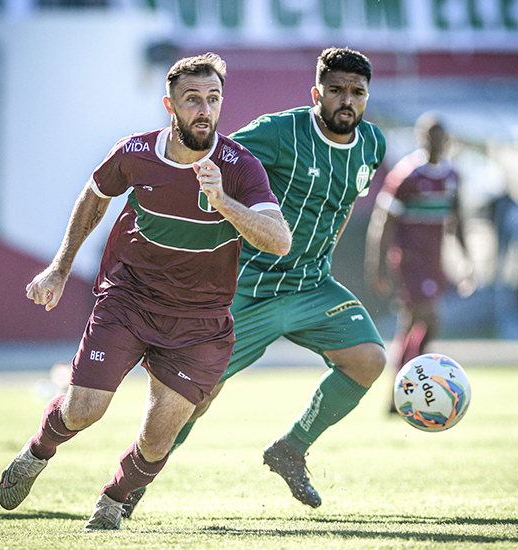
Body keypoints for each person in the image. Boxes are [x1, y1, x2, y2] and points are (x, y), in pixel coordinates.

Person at [0, 52, 292, 531]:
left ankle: (114, 499)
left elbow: (278, 240)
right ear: (169, 105)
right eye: (192, 99)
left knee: (158, 441)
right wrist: (59, 268)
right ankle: (37, 451)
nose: (204, 109)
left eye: (213, 99)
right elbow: (94, 197)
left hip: (200, 321)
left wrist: (223, 201)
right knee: (84, 410)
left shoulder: (240, 167)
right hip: (130, 299)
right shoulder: (135, 153)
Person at [122, 46, 388, 514]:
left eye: (357, 92)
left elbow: (342, 204)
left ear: (367, 97)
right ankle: (128, 486)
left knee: (368, 359)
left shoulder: (372, 145)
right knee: (195, 395)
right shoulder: (279, 132)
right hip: (247, 284)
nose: (347, 100)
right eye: (336, 90)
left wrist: (321, 259)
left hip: (309, 285)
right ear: (317, 94)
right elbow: (211, 158)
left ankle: (291, 449)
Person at [365, 112, 474, 413]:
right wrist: (377, 266)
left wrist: (467, 259)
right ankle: (413, 381)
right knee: (431, 320)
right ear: (421, 138)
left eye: (440, 137)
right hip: (409, 262)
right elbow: (383, 222)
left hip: (434, 262)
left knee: (411, 326)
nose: (436, 142)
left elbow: (458, 220)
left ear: (447, 140)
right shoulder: (407, 175)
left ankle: (397, 393)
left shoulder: (452, 176)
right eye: (430, 136)